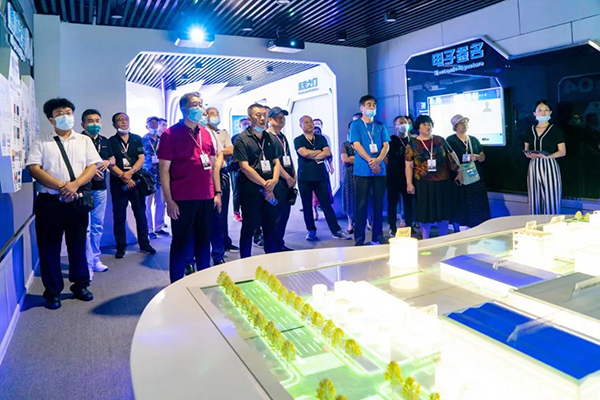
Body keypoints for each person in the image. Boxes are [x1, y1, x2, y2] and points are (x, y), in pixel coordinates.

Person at [27, 98, 101, 309]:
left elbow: (92, 167)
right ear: (51, 120)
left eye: (68, 112)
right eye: (60, 114)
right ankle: (52, 292)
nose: (66, 117)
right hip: (49, 202)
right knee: (49, 247)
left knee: (77, 244)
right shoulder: (41, 141)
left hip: (76, 201)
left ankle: (80, 286)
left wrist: (74, 185)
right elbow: (34, 168)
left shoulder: (84, 140)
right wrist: (62, 186)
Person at [158, 92, 221, 282]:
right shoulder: (170, 134)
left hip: (206, 197)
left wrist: (217, 192)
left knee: (204, 241)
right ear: (183, 109)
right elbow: (164, 170)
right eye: (194, 104)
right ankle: (176, 283)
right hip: (182, 198)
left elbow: (213, 167)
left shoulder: (206, 134)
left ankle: (203, 281)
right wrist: (169, 200)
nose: (199, 108)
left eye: (200, 104)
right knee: (180, 242)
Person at [234, 103, 283, 258]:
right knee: (249, 226)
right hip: (251, 189)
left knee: (270, 225)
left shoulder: (271, 138)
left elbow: (276, 162)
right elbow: (244, 167)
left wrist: (274, 180)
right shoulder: (242, 139)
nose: (262, 118)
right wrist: (264, 184)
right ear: (249, 119)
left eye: (264, 115)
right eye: (258, 115)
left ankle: (271, 258)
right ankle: (245, 260)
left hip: (270, 188)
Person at [108, 112, 156, 258]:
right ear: (114, 124)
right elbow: (110, 163)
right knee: (119, 216)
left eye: (126, 119)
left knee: (141, 214)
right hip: (119, 183)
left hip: (137, 182)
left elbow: (141, 158)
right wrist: (124, 176)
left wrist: (130, 173)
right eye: (120, 120)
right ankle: (120, 247)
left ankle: (144, 244)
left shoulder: (136, 139)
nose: (124, 122)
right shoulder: (111, 141)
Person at [294, 115, 350, 241]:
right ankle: (311, 230)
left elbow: (327, 152)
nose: (309, 124)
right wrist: (319, 152)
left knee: (326, 204)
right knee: (307, 205)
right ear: (301, 126)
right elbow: (304, 153)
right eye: (306, 122)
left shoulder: (321, 138)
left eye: (311, 122)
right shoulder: (298, 140)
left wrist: (312, 154)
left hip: (320, 176)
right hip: (305, 177)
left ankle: (336, 230)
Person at [405, 115, 457, 239]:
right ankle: (425, 238)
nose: (427, 126)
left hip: (442, 180)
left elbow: (452, 155)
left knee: (443, 210)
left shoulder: (440, 140)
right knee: (424, 211)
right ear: (418, 127)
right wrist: (409, 183)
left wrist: (459, 171)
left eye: (429, 124)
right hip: (422, 182)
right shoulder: (413, 143)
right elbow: (408, 165)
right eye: (424, 124)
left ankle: (443, 237)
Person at [350, 95, 390, 245]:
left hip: (379, 170)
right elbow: (356, 145)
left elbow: (386, 145)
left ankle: (377, 236)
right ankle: (359, 238)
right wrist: (370, 160)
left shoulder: (380, 125)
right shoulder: (356, 125)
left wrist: (378, 160)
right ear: (362, 108)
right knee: (361, 205)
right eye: (368, 105)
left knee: (378, 204)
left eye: (374, 105)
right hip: (362, 170)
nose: (371, 107)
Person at [81, 109, 115, 279]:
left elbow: (112, 159)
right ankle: (86, 264)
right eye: (90, 121)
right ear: (83, 124)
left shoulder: (104, 141)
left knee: (97, 226)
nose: (94, 124)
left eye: (97, 121)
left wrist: (108, 162)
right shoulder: (79, 141)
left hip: (101, 188)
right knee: (85, 228)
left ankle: (95, 259)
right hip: (84, 189)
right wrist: (91, 171)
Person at [206, 106, 239, 265]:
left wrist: (219, 152)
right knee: (209, 214)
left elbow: (231, 149)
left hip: (222, 174)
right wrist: (221, 151)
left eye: (217, 113)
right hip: (206, 174)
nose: (215, 116)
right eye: (211, 114)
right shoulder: (204, 132)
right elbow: (212, 152)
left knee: (222, 211)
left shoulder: (223, 133)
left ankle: (224, 242)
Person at [446, 114, 490, 231]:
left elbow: (483, 156)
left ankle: (477, 227)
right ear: (455, 126)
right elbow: (449, 158)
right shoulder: (450, 140)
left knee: (476, 202)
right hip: (459, 175)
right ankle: (458, 229)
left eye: (466, 122)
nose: (464, 125)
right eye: (461, 123)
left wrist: (477, 156)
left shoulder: (473, 139)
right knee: (459, 203)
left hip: (474, 176)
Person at [524, 100, 566, 215]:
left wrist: (548, 156)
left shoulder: (556, 130)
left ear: (550, 112)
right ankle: (535, 223)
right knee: (534, 199)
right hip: (534, 165)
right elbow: (526, 149)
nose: (543, 113)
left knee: (551, 198)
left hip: (549, 165)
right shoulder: (529, 130)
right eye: (540, 110)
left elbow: (562, 152)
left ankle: (552, 223)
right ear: (534, 113)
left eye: (546, 110)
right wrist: (528, 154)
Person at [267, 107, 296, 252]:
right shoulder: (268, 136)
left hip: (287, 182)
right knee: (275, 216)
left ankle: (279, 243)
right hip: (277, 181)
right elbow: (274, 161)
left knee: (284, 214)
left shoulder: (282, 137)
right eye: (277, 117)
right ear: (270, 119)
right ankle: (273, 247)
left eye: (282, 117)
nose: (281, 120)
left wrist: (294, 175)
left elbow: (288, 157)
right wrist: (287, 177)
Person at [386, 116, 413, 236]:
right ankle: (392, 226)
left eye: (405, 122)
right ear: (395, 126)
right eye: (400, 123)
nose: (403, 125)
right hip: (393, 176)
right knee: (392, 202)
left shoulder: (413, 140)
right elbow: (385, 157)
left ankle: (409, 225)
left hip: (409, 176)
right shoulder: (391, 140)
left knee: (409, 202)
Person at [143, 116, 167, 239]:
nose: (154, 125)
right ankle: (149, 229)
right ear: (146, 125)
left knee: (161, 203)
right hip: (148, 176)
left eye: (156, 123)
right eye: (151, 123)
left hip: (161, 175)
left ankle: (159, 226)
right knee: (147, 204)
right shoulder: (142, 140)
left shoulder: (163, 139)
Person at [231, 118, 250, 222]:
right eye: (244, 124)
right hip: (236, 169)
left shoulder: (251, 137)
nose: (247, 126)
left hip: (249, 168)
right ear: (239, 126)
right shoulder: (235, 138)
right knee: (237, 191)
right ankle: (236, 212)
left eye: (248, 124)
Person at [341, 121, 356, 233]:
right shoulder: (345, 144)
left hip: (363, 172)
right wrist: (360, 158)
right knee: (349, 196)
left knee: (366, 197)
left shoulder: (364, 142)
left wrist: (352, 158)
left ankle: (368, 221)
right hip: (349, 173)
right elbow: (345, 160)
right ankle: (350, 223)